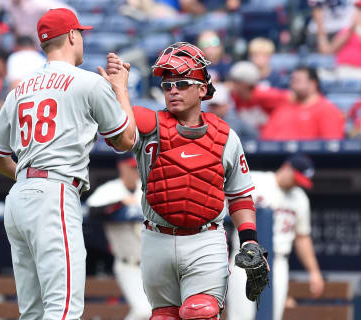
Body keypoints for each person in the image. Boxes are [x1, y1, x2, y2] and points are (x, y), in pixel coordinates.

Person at [0, 8, 136, 319]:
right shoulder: (87, 82)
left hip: (20, 196)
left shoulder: (20, 89)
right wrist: (121, 89)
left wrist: (26, 180)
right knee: (62, 310)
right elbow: (126, 140)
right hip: (54, 194)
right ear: (72, 36)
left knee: (33, 313)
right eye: (81, 34)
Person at [105, 42, 268, 320]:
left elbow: (240, 195)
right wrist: (119, 87)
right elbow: (120, 137)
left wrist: (249, 241)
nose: (173, 91)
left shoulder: (225, 135)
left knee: (200, 313)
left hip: (205, 240)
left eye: (182, 83)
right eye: (167, 86)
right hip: (157, 238)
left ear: (202, 89)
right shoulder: (149, 123)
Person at [227, 154, 325, 320]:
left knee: (272, 316)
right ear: (286, 168)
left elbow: (302, 237)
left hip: (278, 261)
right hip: (247, 257)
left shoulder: (300, 198)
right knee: (241, 316)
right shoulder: (255, 181)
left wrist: (314, 271)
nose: (296, 183)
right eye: (296, 178)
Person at [86, 153, 152, 320]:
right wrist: (120, 204)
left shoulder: (146, 189)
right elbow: (92, 211)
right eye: (131, 167)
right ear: (121, 167)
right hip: (128, 264)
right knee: (143, 311)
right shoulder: (110, 190)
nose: (135, 171)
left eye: (138, 167)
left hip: (152, 265)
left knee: (156, 313)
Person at [260, 66, 345, 140]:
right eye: (292, 80)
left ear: (313, 84)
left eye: (298, 80)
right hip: (272, 156)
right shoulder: (282, 108)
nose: (293, 84)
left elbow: (331, 147)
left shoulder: (327, 109)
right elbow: (266, 138)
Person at [316, 0, 361, 79]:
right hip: (342, 70)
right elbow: (327, 51)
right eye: (358, 9)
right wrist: (319, 24)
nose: (359, 12)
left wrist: (360, 29)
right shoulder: (347, 30)